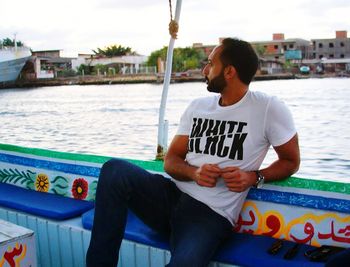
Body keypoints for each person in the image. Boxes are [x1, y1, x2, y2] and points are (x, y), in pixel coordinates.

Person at [86, 38, 300, 267]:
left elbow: (291, 161)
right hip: (169, 196)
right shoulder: (198, 106)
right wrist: (195, 173)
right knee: (114, 170)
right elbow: (171, 161)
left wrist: (253, 177)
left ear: (229, 71)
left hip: (210, 215)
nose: (204, 70)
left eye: (210, 64)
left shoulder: (268, 108)